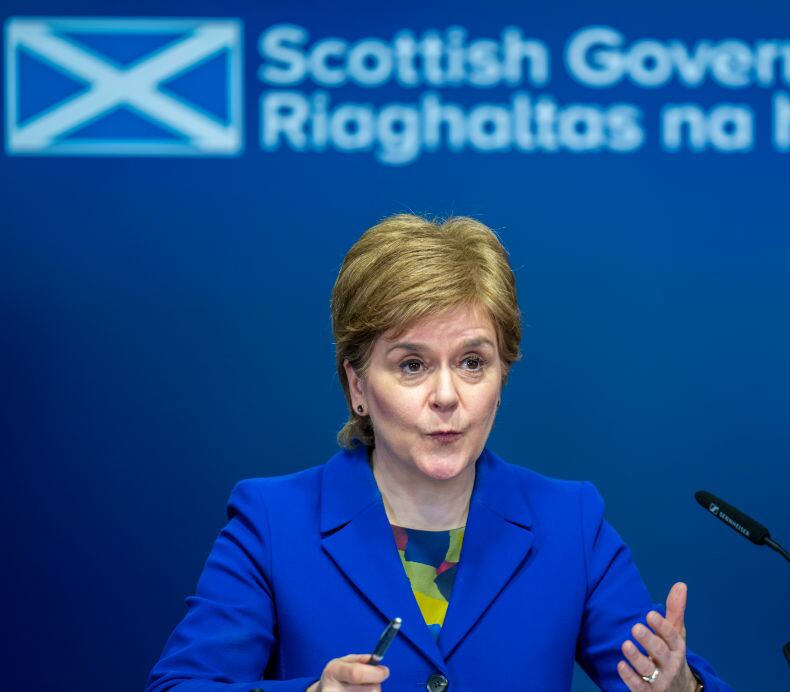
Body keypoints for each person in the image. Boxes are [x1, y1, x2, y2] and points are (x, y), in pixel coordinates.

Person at [147, 214, 732, 692]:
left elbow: (657, 675)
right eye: (412, 365)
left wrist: (682, 688)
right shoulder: (273, 521)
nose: (447, 396)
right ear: (357, 386)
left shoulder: (569, 522)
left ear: (503, 376)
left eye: (473, 362)